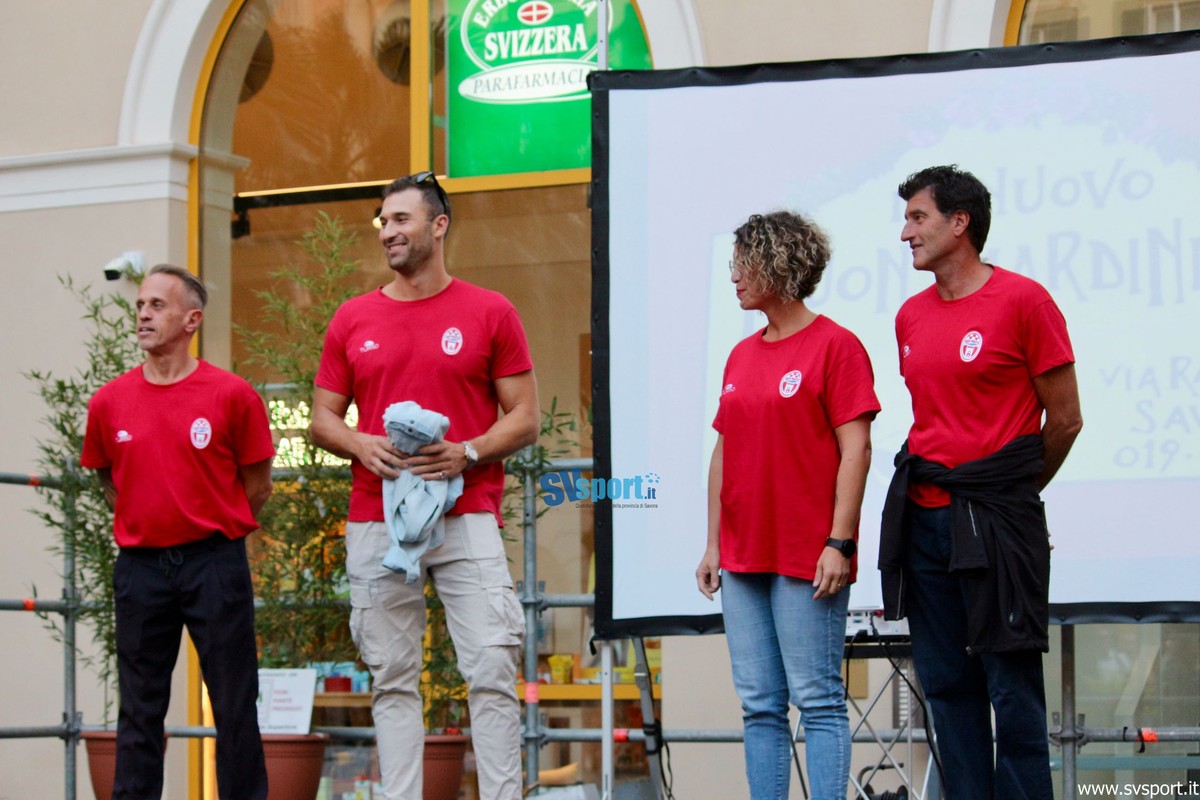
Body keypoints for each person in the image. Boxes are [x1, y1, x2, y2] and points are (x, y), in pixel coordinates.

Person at [311, 171, 539, 800]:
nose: (388, 231)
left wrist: (467, 451)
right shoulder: (353, 317)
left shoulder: (490, 311)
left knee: (492, 670)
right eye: (384, 221)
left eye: (401, 219)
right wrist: (360, 443)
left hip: (467, 514)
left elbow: (525, 417)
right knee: (391, 680)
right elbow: (322, 418)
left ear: (439, 226)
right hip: (377, 519)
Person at [879, 165, 1083, 800]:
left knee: (1010, 688)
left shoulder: (1025, 301)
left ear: (959, 223)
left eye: (918, 217)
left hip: (994, 522)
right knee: (945, 686)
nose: (906, 232)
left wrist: (1014, 500)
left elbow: (1066, 420)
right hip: (924, 520)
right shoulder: (909, 316)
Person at [695, 211, 880, 800]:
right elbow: (723, 452)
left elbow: (857, 451)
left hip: (807, 554)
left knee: (818, 700)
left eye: (743, 264)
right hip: (742, 555)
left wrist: (839, 543)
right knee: (759, 706)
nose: (733, 277)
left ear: (778, 265)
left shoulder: (837, 346)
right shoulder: (740, 355)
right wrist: (713, 544)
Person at [81, 264, 274, 800]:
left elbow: (258, 484)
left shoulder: (232, 395)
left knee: (234, 703)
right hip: (140, 570)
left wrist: (207, 523)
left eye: (157, 305)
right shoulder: (108, 402)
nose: (143, 314)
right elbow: (108, 479)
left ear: (192, 320)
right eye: (140, 305)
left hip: (214, 564)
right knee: (138, 708)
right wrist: (153, 520)